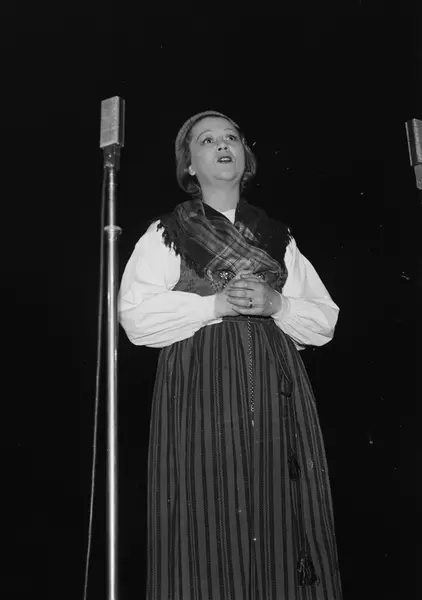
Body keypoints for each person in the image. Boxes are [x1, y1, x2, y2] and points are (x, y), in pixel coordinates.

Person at [118, 110, 343, 600]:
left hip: (278, 389)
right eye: (207, 140)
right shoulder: (167, 232)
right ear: (189, 165)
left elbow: (324, 319)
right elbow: (134, 316)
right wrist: (214, 305)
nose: (223, 145)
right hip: (201, 388)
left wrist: (278, 304)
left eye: (231, 138)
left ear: (245, 155)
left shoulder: (278, 237)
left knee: (283, 515)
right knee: (208, 514)